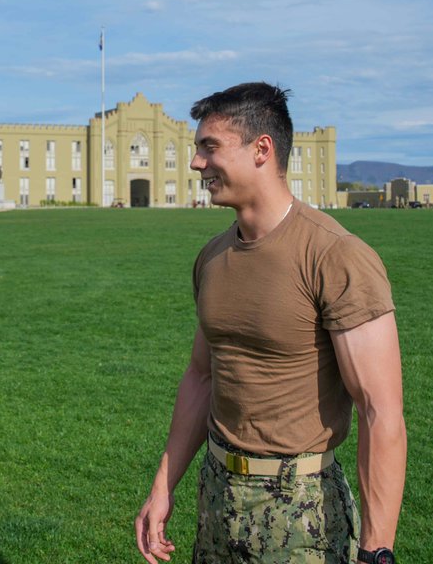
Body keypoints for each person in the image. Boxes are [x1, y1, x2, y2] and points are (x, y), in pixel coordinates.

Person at [134, 82, 406, 564]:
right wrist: (163, 485)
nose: (197, 163)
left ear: (262, 149)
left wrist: (376, 549)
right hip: (216, 496)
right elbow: (201, 376)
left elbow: (379, 411)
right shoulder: (212, 258)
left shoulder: (336, 256)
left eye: (210, 147)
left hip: (301, 513)